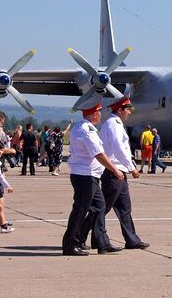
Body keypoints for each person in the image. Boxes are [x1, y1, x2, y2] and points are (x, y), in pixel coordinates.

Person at [62, 100, 124, 256]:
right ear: (94, 113)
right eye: (99, 112)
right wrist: (115, 170)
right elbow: (99, 154)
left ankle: (99, 242)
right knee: (80, 210)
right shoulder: (87, 130)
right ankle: (70, 244)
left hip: (89, 176)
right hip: (85, 176)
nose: (100, 115)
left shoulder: (79, 126)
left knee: (99, 207)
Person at [97, 98, 149, 250]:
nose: (130, 112)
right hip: (113, 171)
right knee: (103, 208)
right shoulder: (113, 124)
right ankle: (82, 235)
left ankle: (132, 239)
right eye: (127, 109)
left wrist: (129, 167)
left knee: (125, 208)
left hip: (120, 172)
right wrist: (131, 167)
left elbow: (123, 149)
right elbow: (119, 148)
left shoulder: (117, 124)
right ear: (119, 110)